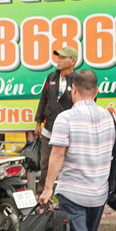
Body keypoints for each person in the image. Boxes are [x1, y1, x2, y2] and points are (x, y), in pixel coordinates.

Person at [39, 70, 116, 231]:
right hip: (99, 191)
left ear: (74, 90)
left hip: (73, 190)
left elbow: (57, 154)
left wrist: (48, 188)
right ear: (96, 91)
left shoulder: (66, 118)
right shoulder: (110, 117)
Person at [34, 46, 76, 194]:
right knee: (45, 164)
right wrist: (38, 123)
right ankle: (43, 195)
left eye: (63, 58)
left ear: (72, 61)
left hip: (69, 131)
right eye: (58, 57)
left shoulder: (77, 80)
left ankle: (67, 195)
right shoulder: (51, 77)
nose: (59, 60)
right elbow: (43, 100)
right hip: (48, 129)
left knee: (69, 164)